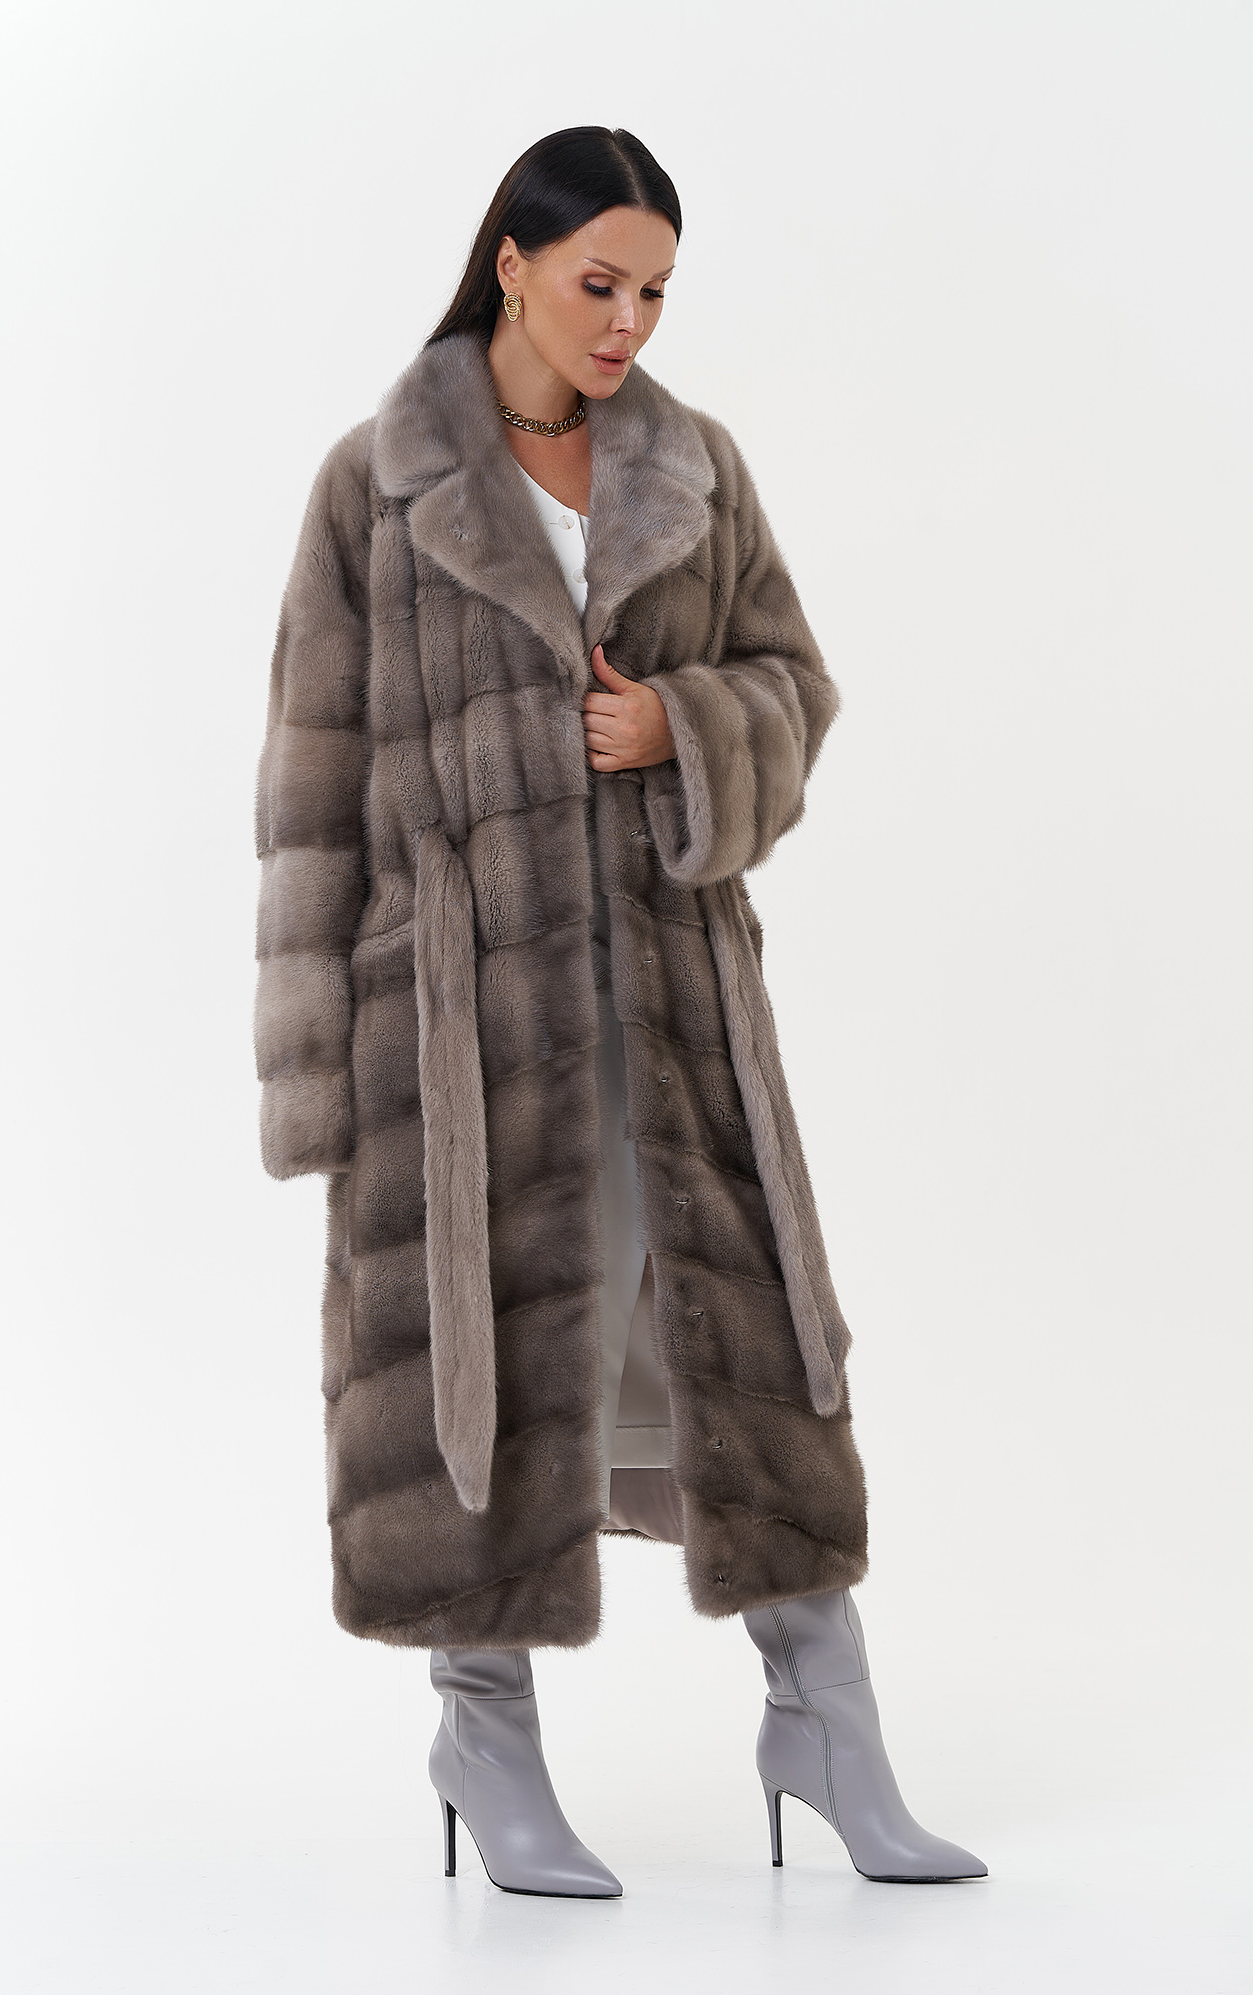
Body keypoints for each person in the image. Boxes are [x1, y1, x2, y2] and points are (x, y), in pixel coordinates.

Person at [254, 125, 986, 1898]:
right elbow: (310, 795)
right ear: (511, 262)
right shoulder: (377, 485)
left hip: (674, 1002)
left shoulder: (694, 471)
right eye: (601, 283)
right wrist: (315, 1088)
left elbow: (794, 684)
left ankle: (829, 1727)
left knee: (757, 1351)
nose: (629, 323)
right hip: (457, 1032)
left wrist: (682, 728)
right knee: (480, 1369)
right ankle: (483, 1737)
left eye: (656, 292)